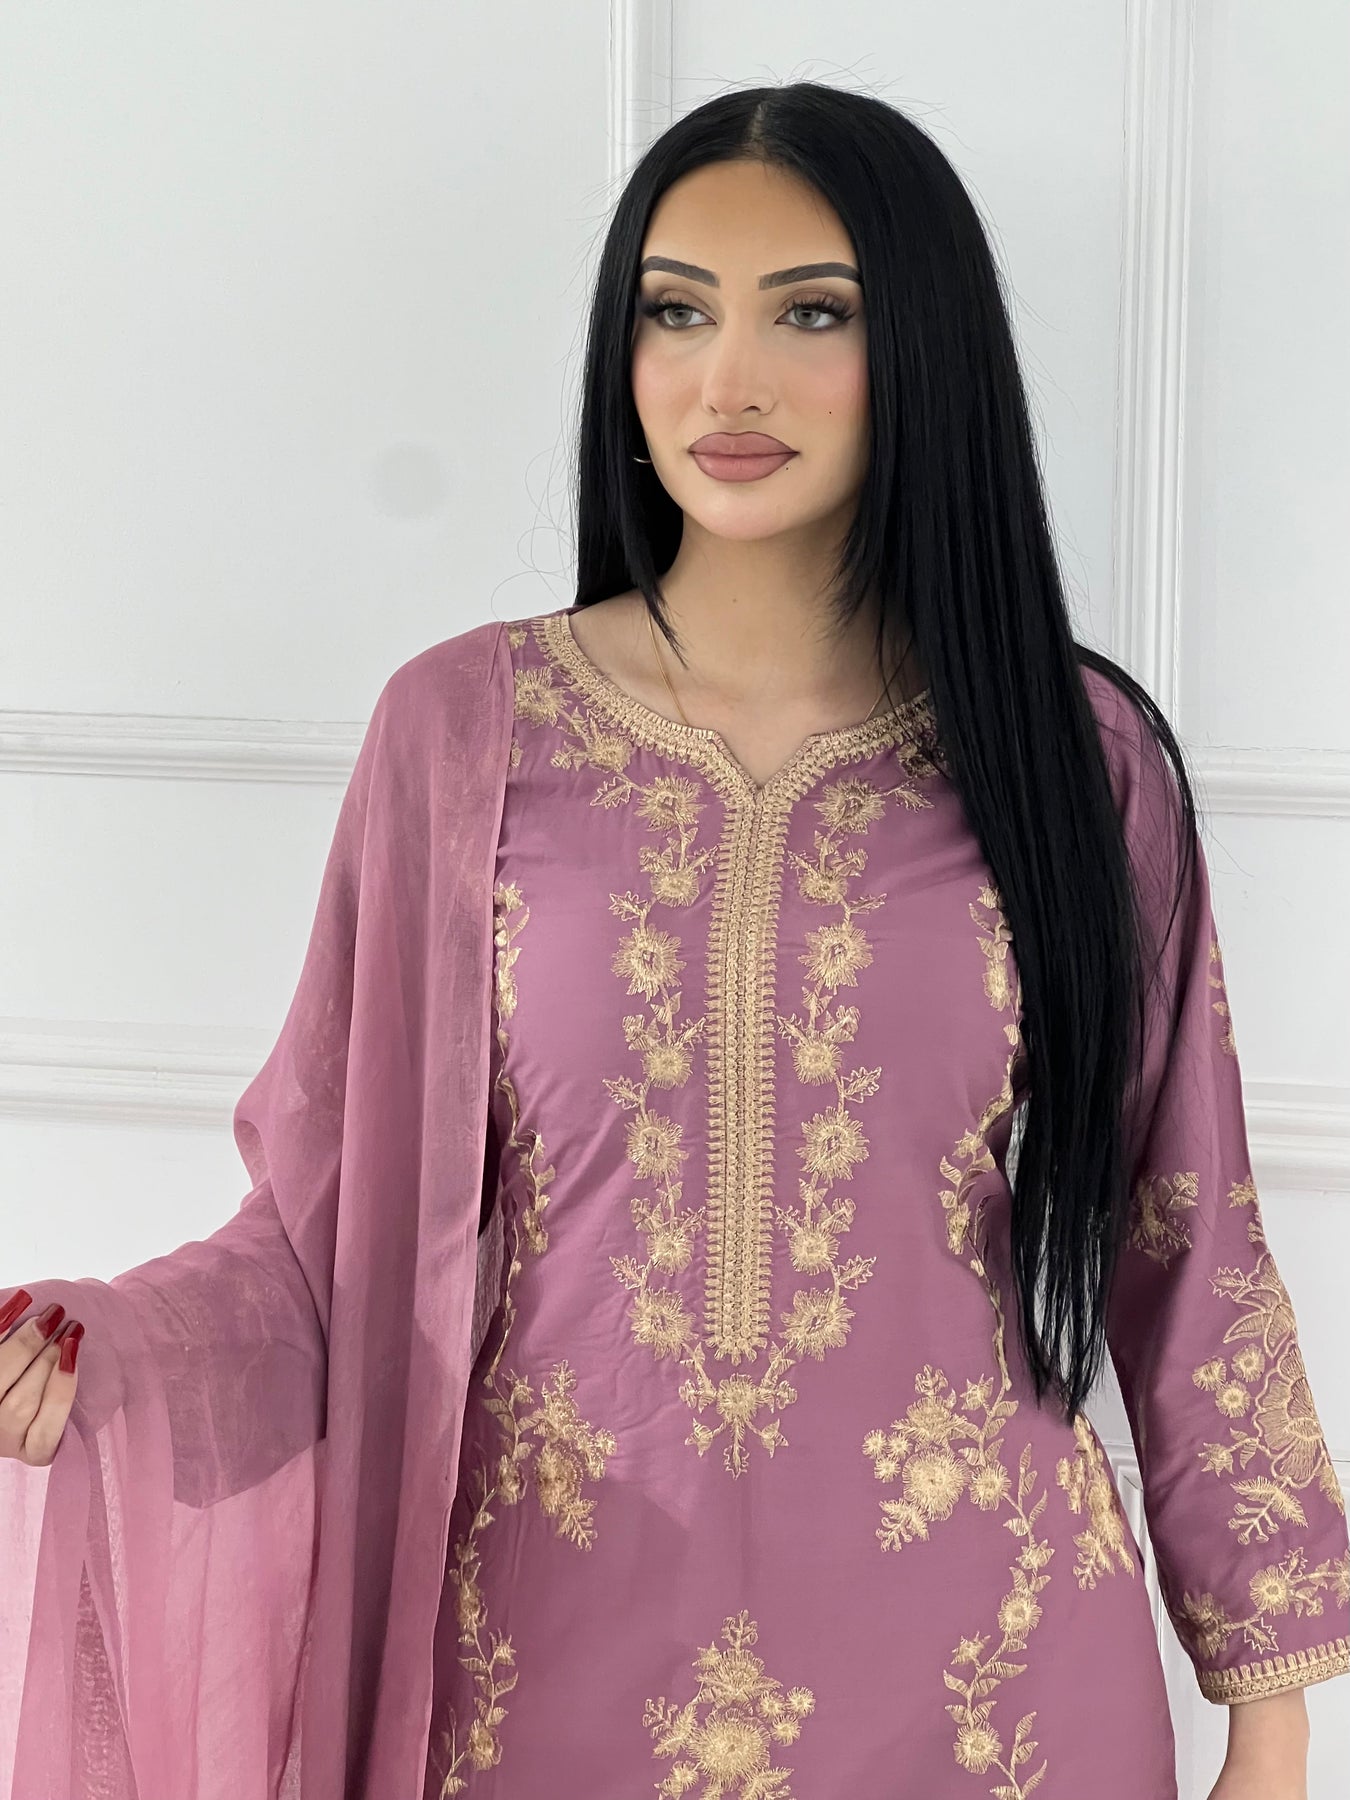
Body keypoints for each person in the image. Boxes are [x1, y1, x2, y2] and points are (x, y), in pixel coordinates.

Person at [2, 81, 1347, 1800]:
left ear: (921, 348)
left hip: (994, 1689)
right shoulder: (463, 732)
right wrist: (102, 1345)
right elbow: (323, 1244)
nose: (728, 380)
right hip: (539, 1682)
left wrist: (1271, 1720)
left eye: (811, 313)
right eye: (676, 311)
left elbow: (1185, 1235)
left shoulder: (1067, 758)